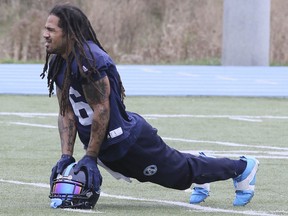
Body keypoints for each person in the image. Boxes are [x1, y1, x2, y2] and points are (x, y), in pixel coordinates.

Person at [41, 4, 259, 208]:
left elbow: (101, 109)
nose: (45, 34)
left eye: (51, 29)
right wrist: (66, 156)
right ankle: (198, 166)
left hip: (128, 141)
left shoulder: (89, 60)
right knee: (179, 169)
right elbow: (66, 111)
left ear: (69, 33)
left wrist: (90, 156)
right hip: (106, 147)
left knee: (180, 176)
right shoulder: (58, 61)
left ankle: (242, 167)